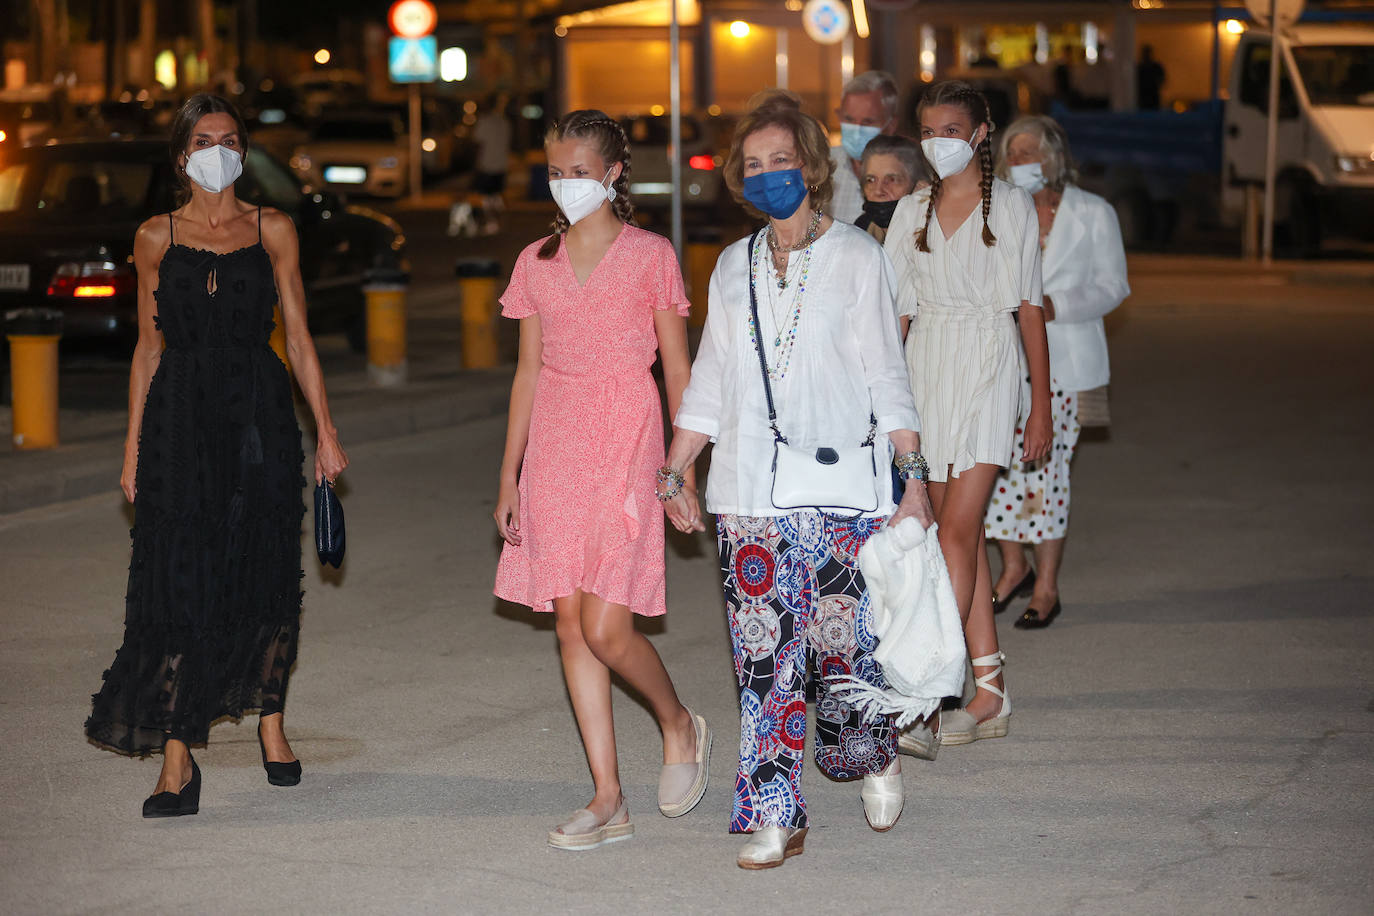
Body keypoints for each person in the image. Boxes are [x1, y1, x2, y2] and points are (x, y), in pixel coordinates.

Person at [663, 90, 933, 870]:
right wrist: (677, 466)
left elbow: (888, 374)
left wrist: (911, 477)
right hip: (747, 493)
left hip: (841, 487)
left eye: (783, 159)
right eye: (755, 164)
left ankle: (874, 753)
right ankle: (776, 811)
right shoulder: (731, 265)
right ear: (740, 180)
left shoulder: (856, 256)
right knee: (763, 664)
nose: (770, 173)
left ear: (811, 167)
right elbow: (710, 379)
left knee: (844, 651)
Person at [85, 93, 349, 817]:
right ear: (181, 156)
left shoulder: (273, 229)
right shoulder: (152, 237)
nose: (219, 150)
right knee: (179, 578)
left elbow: (296, 336)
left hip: (259, 414)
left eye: (231, 138)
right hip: (178, 418)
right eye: (204, 139)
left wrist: (324, 428)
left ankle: (271, 723)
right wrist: (131, 446)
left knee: (261, 564)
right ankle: (177, 759)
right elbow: (146, 348)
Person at [493, 110, 710, 851]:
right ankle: (607, 795)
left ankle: (678, 722)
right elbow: (525, 372)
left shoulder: (650, 254)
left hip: (628, 426)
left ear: (614, 174)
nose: (566, 184)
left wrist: (681, 468)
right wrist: (509, 473)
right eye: (555, 171)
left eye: (579, 170)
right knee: (568, 622)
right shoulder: (536, 262)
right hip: (555, 435)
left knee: (606, 626)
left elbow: (677, 366)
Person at [884, 80, 1052, 753]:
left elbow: (1030, 308)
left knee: (954, 531)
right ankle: (989, 692)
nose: (937, 142)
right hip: (926, 369)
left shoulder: (1010, 207)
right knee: (955, 535)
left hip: (987, 365)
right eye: (928, 129)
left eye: (951, 128)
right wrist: (884, 402)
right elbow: (894, 314)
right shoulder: (911, 209)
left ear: (980, 133)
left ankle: (923, 692)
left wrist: (1040, 401)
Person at [984, 115, 1130, 629]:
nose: (1022, 163)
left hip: (1067, 364)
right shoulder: (999, 211)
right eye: (1013, 154)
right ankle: (1013, 565)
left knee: (1047, 474)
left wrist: (1055, 304)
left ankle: (1046, 585)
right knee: (994, 470)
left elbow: (1115, 286)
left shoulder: (1094, 212)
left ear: (1055, 157)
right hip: (1002, 362)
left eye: (1031, 153)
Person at [830, 71, 902, 224]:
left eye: (868, 121)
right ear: (839, 116)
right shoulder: (822, 166)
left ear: (891, 125)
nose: (856, 130)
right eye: (849, 119)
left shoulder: (907, 173)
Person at [854, 134, 926, 244]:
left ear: (919, 186)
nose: (878, 191)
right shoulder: (861, 229)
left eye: (892, 180)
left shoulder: (931, 234)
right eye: (871, 180)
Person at [472, 93, 512, 234]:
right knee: (496, 194)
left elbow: (479, 144)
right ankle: (499, 218)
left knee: (486, 196)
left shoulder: (484, 121)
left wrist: (477, 163)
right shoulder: (504, 122)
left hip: (487, 163)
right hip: (501, 163)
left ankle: (492, 222)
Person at [1137, 45, 1166, 111]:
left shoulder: (1156, 67)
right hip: (1143, 99)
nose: (1146, 56)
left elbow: (1162, 79)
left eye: (1147, 53)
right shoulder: (1140, 68)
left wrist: (1156, 84)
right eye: (1145, 53)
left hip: (1154, 98)